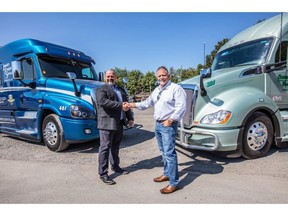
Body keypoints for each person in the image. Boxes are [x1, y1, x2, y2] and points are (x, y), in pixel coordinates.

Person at [128, 66, 186, 194]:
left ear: (168, 76)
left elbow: (181, 107)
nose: (161, 78)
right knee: (163, 152)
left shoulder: (175, 89)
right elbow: (146, 104)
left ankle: (174, 183)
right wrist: (130, 105)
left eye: (163, 75)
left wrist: (170, 120)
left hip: (168, 125)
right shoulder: (157, 90)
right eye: (159, 76)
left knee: (170, 153)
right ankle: (166, 174)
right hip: (158, 125)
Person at [96, 69, 134, 185]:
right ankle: (103, 173)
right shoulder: (101, 89)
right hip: (107, 123)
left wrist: (130, 118)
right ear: (105, 77)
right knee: (105, 147)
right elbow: (102, 101)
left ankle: (115, 166)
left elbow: (126, 104)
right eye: (108, 76)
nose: (110, 78)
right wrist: (120, 105)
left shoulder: (121, 89)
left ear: (116, 77)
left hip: (119, 122)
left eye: (112, 76)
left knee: (116, 147)